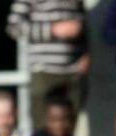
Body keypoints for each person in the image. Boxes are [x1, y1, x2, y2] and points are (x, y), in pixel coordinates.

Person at [7, 0, 89, 128]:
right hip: (44, 71)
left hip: (74, 71)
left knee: (68, 131)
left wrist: (86, 54)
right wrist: (52, 29)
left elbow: (82, 25)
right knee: (43, 130)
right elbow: (14, 27)